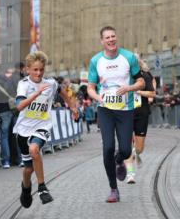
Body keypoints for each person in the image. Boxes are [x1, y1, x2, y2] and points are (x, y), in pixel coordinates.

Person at [13, 51, 80, 208]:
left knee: (34, 149)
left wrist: (72, 107)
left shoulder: (51, 83)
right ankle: (25, 188)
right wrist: (36, 93)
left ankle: (42, 188)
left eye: (41, 70)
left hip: (42, 125)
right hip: (23, 129)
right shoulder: (23, 84)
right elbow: (19, 106)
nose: (38, 73)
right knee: (28, 169)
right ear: (28, 69)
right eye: (35, 70)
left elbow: (62, 92)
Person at [86, 26, 145, 204]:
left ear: (116, 38)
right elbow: (90, 87)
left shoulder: (128, 57)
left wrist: (129, 87)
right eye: (107, 38)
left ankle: (119, 161)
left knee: (126, 150)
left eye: (113, 36)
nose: (111, 40)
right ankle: (113, 189)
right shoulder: (96, 61)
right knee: (108, 147)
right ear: (102, 41)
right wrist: (98, 97)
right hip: (105, 110)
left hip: (125, 109)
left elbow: (141, 82)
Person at [125, 56, 157, 184]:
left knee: (139, 148)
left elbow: (152, 93)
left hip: (141, 113)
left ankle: (135, 153)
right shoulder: (122, 75)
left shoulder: (145, 75)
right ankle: (130, 174)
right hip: (125, 112)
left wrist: (137, 92)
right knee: (126, 145)